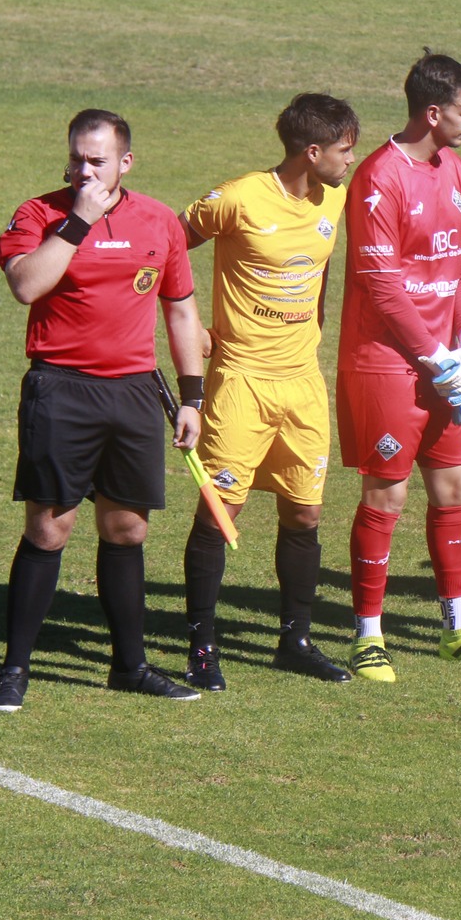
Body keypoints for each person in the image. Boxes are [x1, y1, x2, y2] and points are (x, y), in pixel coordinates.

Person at [0, 109, 206, 711]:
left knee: (127, 528)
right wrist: (80, 221)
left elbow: (181, 311)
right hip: (61, 390)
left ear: (125, 163)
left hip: (134, 393)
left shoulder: (160, 221)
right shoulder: (39, 214)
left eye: (98, 160)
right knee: (49, 527)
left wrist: (192, 398)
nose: (85, 168)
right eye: (78, 157)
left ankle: (129, 668)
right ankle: (13, 670)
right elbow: (27, 285)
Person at [337, 52, 461, 681]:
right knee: (387, 491)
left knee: (455, 487)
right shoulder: (378, 178)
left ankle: (458, 628)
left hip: (446, 366)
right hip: (386, 363)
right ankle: (367, 636)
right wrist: (435, 354)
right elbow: (381, 284)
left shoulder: (456, 170)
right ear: (434, 112)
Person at [177, 93, 361, 688]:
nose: (349, 161)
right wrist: (190, 325)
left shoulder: (334, 198)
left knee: (305, 512)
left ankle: (296, 641)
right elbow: (167, 247)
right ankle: (202, 647)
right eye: (343, 150)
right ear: (313, 151)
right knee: (219, 512)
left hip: (302, 384)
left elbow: (323, 270)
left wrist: (315, 329)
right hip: (241, 384)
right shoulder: (237, 199)